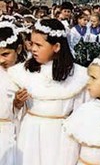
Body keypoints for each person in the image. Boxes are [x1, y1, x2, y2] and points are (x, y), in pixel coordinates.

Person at [9, 19, 89, 165]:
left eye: (39, 45)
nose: (33, 49)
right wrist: (17, 103)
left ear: (56, 46)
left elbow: (82, 114)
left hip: (61, 137)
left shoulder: (77, 76)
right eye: (32, 44)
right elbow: (13, 113)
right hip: (30, 133)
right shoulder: (22, 72)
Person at [0, 23, 27, 165]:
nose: (1, 60)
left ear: (18, 49)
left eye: (5, 54)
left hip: (14, 132)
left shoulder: (24, 75)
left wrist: (17, 105)